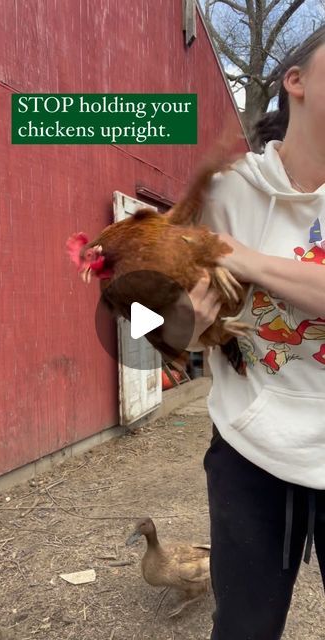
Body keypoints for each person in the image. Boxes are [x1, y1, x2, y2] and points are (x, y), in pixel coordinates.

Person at [186, 26, 325, 640]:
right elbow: (149, 325)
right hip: (251, 450)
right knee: (244, 628)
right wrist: (186, 324)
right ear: (295, 81)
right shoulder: (221, 191)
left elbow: (236, 260)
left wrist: (244, 259)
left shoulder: (231, 234)